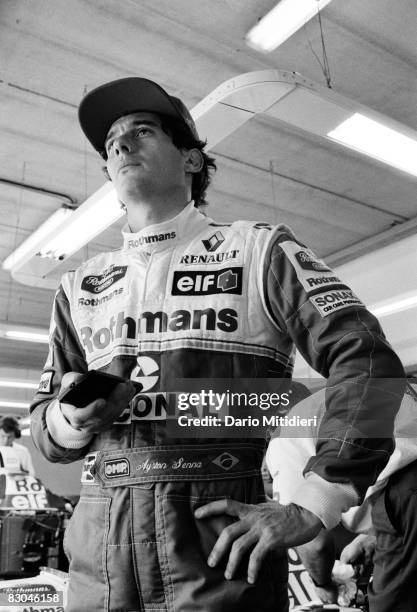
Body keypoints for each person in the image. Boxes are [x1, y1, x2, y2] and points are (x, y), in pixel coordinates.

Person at [29, 76, 405, 612]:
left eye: (142, 130)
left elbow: (369, 365)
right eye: (111, 142)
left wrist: (316, 502)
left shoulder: (259, 251)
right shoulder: (78, 285)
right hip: (99, 557)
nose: (120, 144)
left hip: (219, 552)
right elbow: (42, 422)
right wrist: (69, 422)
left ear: (190, 159)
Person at [266, 382, 417, 610]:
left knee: (389, 605)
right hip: (404, 491)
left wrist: (323, 583)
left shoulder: (285, 437)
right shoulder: (346, 394)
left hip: (403, 492)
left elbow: (313, 543)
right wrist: (372, 537)